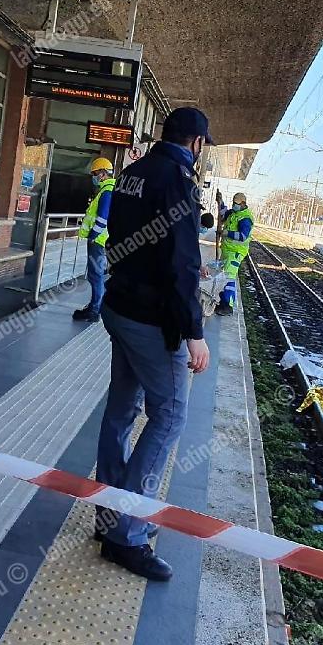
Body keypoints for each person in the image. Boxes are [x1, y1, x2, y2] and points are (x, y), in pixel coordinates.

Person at [94, 106, 213, 581]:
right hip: (150, 319)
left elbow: (135, 244)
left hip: (119, 305)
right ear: (197, 143)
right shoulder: (179, 181)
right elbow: (182, 263)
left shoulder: (133, 172)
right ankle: (127, 532)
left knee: (122, 410)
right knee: (169, 415)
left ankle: (108, 512)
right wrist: (195, 333)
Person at [73, 157, 115, 322]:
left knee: (95, 275)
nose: (94, 177)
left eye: (96, 173)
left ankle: (94, 310)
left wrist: (93, 236)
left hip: (98, 241)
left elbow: (102, 218)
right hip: (102, 240)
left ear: (103, 174)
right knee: (96, 275)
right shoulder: (109, 189)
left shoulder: (107, 191)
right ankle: (95, 307)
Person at [215, 192, 255, 316]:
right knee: (223, 275)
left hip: (236, 252)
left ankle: (228, 306)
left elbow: (243, 236)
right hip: (227, 250)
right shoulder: (233, 213)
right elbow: (223, 213)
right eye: (233, 202)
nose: (234, 205)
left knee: (229, 277)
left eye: (236, 203)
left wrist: (227, 233)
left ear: (243, 203)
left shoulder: (245, 218)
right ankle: (223, 301)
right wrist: (220, 201)